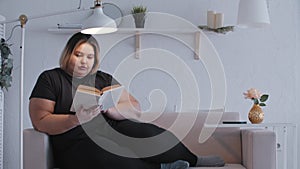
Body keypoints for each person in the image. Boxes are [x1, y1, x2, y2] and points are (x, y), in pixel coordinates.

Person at [29, 32, 225, 169]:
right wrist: (75, 119)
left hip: (110, 126)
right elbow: (40, 120)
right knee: (111, 157)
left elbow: (134, 106)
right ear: (68, 54)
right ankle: (163, 167)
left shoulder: (103, 78)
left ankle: (193, 160)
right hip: (75, 139)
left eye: (90, 57)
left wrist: (114, 110)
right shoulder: (50, 78)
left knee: (151, 134)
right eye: (78, 55)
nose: (84, 61)